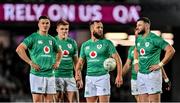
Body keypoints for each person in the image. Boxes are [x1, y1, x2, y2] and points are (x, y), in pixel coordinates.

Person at [16, 16, 62, 102]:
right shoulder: (33, 37)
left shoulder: (52, 39)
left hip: (50, 74)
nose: (45, 25)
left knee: (50, 101)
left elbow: (60, 52)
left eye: (47, 23)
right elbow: (19, 49)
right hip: (37, 75)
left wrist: (58, 62)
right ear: (38, 24)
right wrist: (30, 62)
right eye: (43, 23)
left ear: (49, 25)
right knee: (37, 101)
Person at [75, 20, 123, 102]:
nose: (100, 29)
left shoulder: (107, 43)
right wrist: (78, 75)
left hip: (103, 77)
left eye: (101, 27)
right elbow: (80, 63)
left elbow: (118, 60)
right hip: (89, 78)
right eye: (98, 27)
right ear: (92, 29)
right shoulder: (85, 45)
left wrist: (119, 75)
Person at [134, 17, 175, 102]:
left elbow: (171, 50)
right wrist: (136, 62)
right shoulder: (138, 38)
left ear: (147, 26)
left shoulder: (155, 39)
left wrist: (160, 65)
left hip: (152, 75)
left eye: (140, 25)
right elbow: (136, 50)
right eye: (137, 25)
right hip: (141, 74)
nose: (137, 27)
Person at [54, 20, 79, 102]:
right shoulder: (53, 41)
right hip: (56, 75)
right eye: (62, 29)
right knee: (58, 99)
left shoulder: (73, 42)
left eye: (66, 29)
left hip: (70, 76)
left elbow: (76, 62)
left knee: (71, 101)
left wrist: (79, 77)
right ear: (57, 29)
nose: (64, 31)